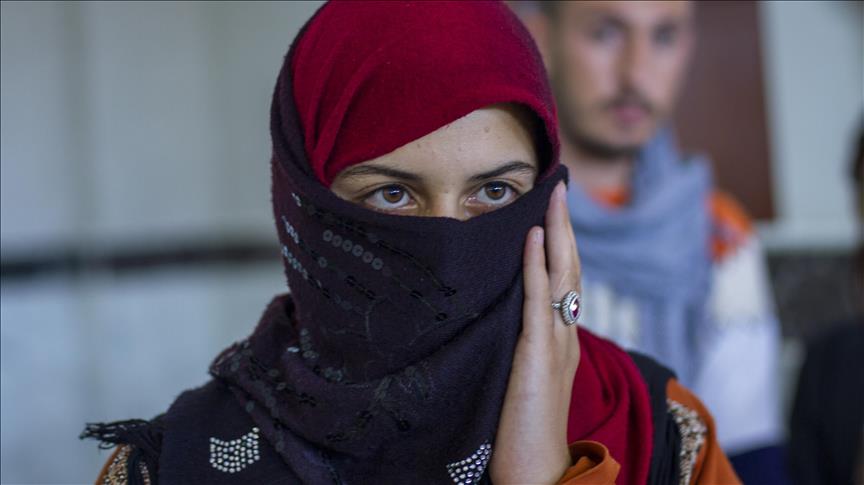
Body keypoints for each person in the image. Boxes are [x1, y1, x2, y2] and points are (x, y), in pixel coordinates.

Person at [81, 2, 739, 484]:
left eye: (495, 192)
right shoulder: (173, 465)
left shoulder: (657, 432)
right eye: (392, 195)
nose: (448, 245)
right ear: (305, 206)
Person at [513, 1, 787, 482]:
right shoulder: (502, 222)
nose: (636, 73)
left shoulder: (721, 235)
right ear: (541, 38)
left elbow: (747, 456)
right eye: (605, 33)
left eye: (663, 36)